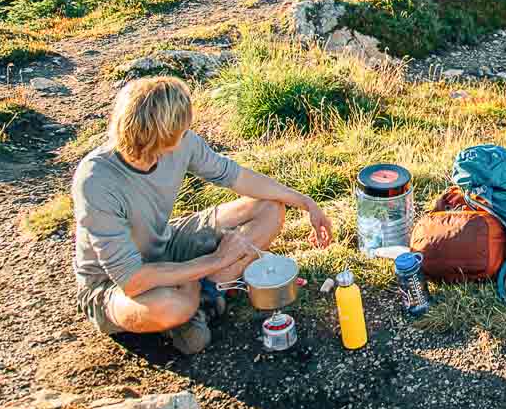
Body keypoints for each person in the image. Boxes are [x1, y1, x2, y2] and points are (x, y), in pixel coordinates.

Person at [71, 75, 333, 353]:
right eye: (180, 131)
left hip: (167, 242)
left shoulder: (181, 143)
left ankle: (203, 295)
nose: (186, 134)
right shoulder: (96, 180)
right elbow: (132, 279)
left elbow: (234, 175)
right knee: (171, 306)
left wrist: (305, 202)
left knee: (269, 206)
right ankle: (195, 298)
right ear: (160, 135)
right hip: (112, 286)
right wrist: (217, 260)